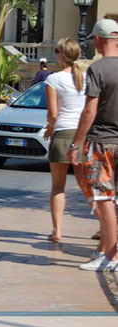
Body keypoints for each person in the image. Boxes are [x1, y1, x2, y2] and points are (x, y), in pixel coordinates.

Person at [68, 19, 118, 271]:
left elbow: (89, 111)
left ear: (99, 40)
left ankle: (111, 255)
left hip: (102, 141)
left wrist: (76, 144)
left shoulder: (98, 69)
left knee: (103, 196)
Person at [43, 38, 86, 243]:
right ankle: (104, 227)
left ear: (61, 55)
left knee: (58, 186)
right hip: (83, 135)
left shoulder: (54, 79)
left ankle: (57, 231)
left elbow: (53, 114)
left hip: (63, 133)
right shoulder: (86, 79)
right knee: (88, 185)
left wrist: (49, 129)